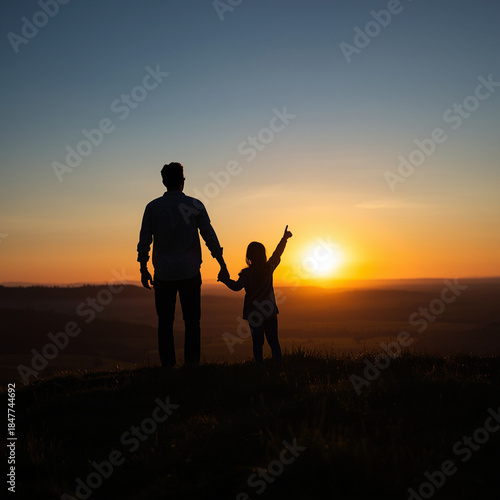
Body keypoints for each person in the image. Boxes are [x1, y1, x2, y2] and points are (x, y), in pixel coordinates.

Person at [137, 162, 228, 367]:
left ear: (163, 181)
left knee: (165, 323)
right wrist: (222, 263)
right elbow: (209, 237)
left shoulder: (152, 207)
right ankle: (191, 366)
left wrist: (143, 269)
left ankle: (168, 367)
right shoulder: (195, 205)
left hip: (164, 274)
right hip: (189, 273)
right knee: (192, 322)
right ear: (182, 181)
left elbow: (144, 242)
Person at [218, 226, 292, 364]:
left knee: (258, 343)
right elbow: (277, 253)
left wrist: (224, 280)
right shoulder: (269, 268)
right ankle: (279, 366)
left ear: (249, 256)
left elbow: (236, 287)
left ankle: (260, 368)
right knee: (273, 341)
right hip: (269, 311)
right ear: (263, 254)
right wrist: (284, 238)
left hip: (254, 314)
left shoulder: (246, 274)